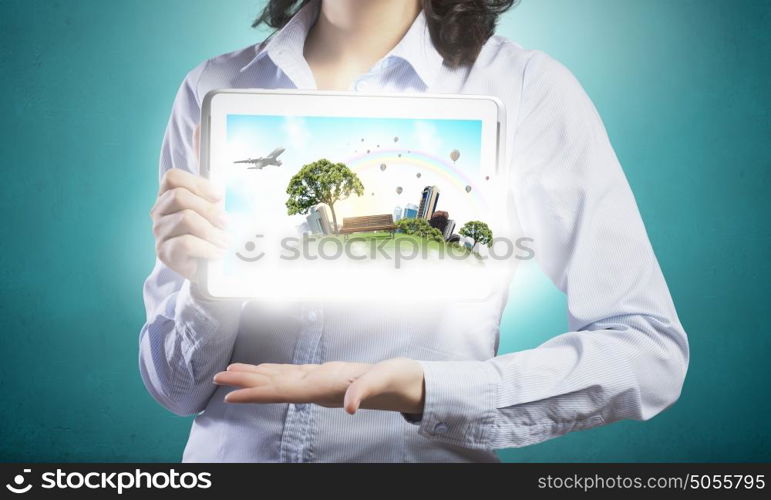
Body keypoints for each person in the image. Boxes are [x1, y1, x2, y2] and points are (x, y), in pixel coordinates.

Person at [140, 0, 689, 462]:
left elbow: (646, 349)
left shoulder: (522, 89)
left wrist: (429, 389)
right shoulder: (216, 87)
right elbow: (177, 391)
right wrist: (206, 285)